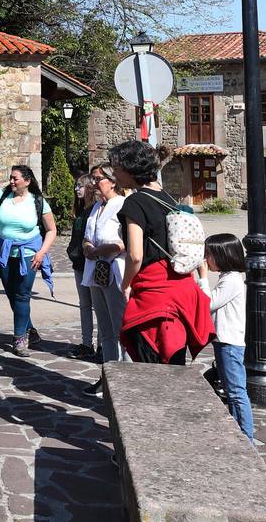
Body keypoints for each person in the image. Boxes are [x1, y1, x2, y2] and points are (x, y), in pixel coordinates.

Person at [111, 139, 212, 364]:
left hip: (155, 293)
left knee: (153, 363)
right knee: (174, 360)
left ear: (130, 169)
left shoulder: (135, 202)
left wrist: (125, 284)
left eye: (117, 168)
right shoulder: (169, 199)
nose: (115, 174)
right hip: (182, 289)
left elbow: (135, 255)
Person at [0, 165, 57, 357]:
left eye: (15, 178)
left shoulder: (38, 202)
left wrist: (41, 252)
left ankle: (20, 339)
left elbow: (51, 230)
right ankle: (31, 330)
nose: (11, 181)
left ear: (27, 181)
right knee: (12, 294)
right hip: (4, 252)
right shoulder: (2, 196)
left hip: (28, 254)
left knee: (22, 295)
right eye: (11, 177)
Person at [205, 233, 253, 441]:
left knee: (235, 391)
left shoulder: (232, 280)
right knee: (230, 389)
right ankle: (238, 432)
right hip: (224, 341)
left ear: (222, 256)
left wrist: (200, 277)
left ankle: (246, 437)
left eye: (209, 255)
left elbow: (208, 303)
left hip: (229, 343)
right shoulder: (228, 278)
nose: (206, 259)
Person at [83, 164, 129, 370]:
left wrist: (101, 250)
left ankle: (125, 372)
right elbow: (87, 236)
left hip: (115, 270)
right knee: (104, 328)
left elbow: (126, 242)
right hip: (95, 271)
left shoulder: (123, 205)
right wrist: (87, 247)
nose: (93, 184)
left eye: (98, 179)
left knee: (119, 326)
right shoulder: (96, 207)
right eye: (92, 179)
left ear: (112, 181)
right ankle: (108, 374)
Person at [65, 173, 98, 361]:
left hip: (91, 263)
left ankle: (102, 345)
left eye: (80, 186)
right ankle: (87, 343)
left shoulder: (94, 210)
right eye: (76, 186)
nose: (77, 189)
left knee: (98, 307)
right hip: (79, 263)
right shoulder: (79, 211)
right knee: (84, 305)